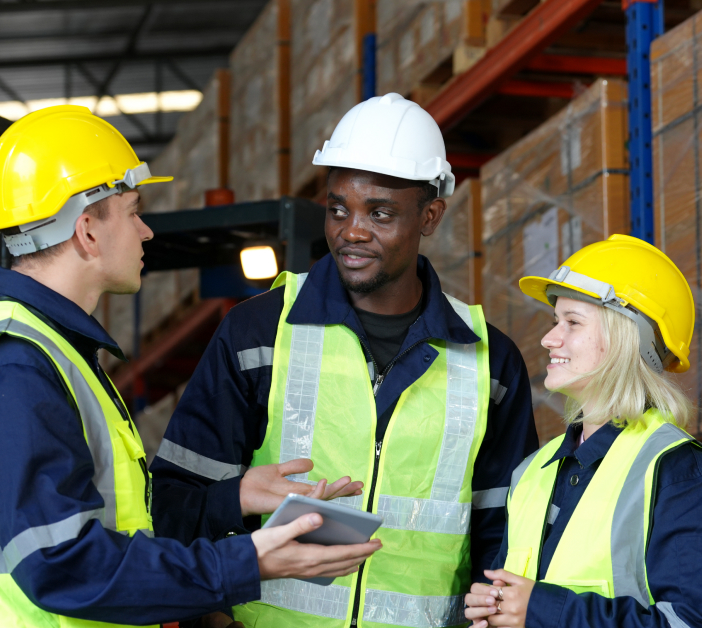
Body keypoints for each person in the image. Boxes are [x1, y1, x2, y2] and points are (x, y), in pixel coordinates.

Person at [0, 105, 380, 628]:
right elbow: (65, 565)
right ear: (88, 230)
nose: (147, 231)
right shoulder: (11, 370)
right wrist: (248, 564)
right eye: (133, 211)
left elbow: (120, 520)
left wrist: (233, 499)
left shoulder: (53, 354)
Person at [151, 93, 539, 628]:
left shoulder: (490, 362)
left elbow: (506, 536)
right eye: (338, 208)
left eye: (379, 213)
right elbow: (175, 502)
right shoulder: (258, 332)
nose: (351, 230)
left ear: (430, 216)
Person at [463, 234, 702, 628]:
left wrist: (539, 610)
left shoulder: (685, 478)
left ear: (627, 338)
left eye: (572, 322)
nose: (549, 338)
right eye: (557, 321)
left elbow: (695, 623)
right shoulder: (532, 474)